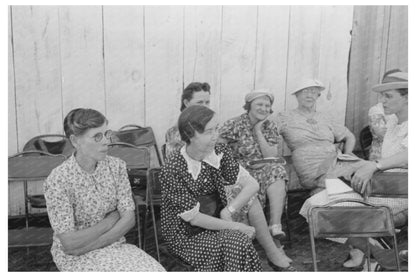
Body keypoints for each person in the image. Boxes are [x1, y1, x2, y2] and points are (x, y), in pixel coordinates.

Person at [160, 105, 295, 271]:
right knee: (237, 240)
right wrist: (237, 226)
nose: (215, 137)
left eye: (216, 129)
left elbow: (252, 184)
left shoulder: (218, 152)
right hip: (185, 234)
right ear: (189, 135)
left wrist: (228, 211)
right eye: (208, 132)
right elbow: (194, 218)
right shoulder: (173, 168)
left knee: (238, 240)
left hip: (215, 221)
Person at [299, 70, 408, 268]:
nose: (382, 100)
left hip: (402, 193)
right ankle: (377, 252)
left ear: (408, 98)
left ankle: (377, 255)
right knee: (311, 207)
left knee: (325, 212)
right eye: (382, 95)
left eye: (388, 96)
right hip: (380, 185)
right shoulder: (393, 121)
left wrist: (375, 165)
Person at [43, 108, 165, 272]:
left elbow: (129, 219)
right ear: (75, 141)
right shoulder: (58, 180)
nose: (106, 141)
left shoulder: (117, 166)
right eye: (97, 136)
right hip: (74, 257)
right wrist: (109, 220)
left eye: (106, 133)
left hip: (113, 246)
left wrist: (95, 243)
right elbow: (69, 243)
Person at [218, 89, 288, 239]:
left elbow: (270, 155)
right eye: (259, 104)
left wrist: (258, 130)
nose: (264, 109)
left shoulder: (270, 126)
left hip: (262, 169)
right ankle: (251, 230)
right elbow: (217, 150)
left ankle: (275, 225)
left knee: (277, 170)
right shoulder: (234, 124)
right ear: (249, 105)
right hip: (238, 171)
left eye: (267, 106)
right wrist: (237, 166)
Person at [275, 78, 357, 193]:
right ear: (296, 95)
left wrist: (348, 154)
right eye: (305, 91)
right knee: (355, 178)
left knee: (366, 171)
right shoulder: (285, 117)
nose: (309, 95)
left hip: (335, 161)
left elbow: (349, 136)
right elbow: (270, 136)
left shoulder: (325, 117)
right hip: (310, 165)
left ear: (318, 96)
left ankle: (325, 193)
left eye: (313, 92)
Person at [165, 82, 211, 159]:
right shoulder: (177, 131)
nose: (204, 106)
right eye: (199, 102)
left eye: (207, 102)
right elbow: (177, 163)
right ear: (186, 103)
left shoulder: (208, 126)